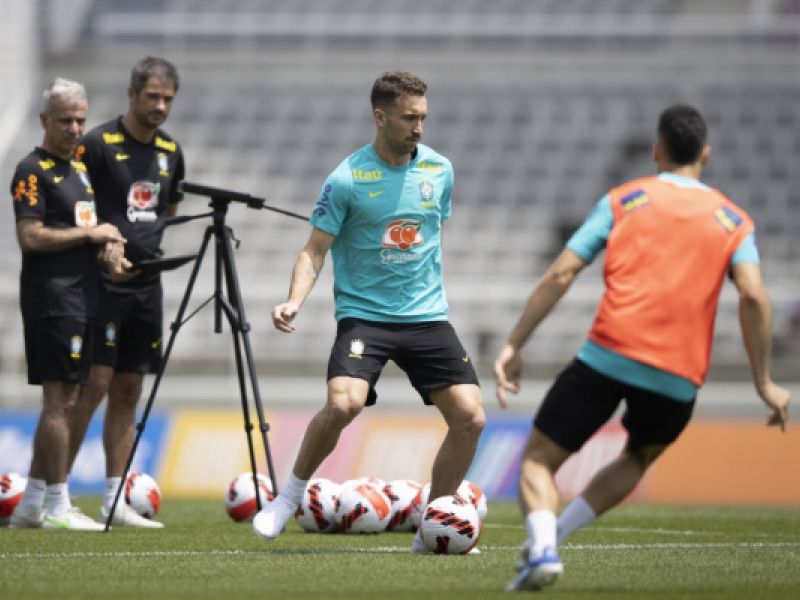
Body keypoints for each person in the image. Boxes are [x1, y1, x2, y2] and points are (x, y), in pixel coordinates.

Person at [493, 104, 791, 591]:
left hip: (608, 354)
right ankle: (554, 540)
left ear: (657, 151)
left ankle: (543, 547)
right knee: (638, 455)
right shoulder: (734, 221)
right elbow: (754, 295)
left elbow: (563, 272)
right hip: (677, 375)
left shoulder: (624, 200)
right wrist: (764, 383)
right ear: (706, 154)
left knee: (539, 459)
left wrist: (514, 343)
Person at [252, 71, 486, 551]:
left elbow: (432, 231)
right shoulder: (346, 179)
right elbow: (314, 250)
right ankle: (288, 498)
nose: (419, 127)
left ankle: (432, 525)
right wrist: (294, 300)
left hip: (426, 317)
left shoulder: (440, 170)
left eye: (423, 117)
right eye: (409, 118)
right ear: (380, 117)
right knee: (344, 404)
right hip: (365, 317)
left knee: (471, 417)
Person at [66, 56, 185, 528]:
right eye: (152, 96)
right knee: (93, 385)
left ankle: (115, 499)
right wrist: (103, 247)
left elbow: (167, 210)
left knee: (129, 389)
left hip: (147, 286)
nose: (160, 106)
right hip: (101, 284)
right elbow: (74, 206)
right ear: (132, 94)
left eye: (167, 99)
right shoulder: (97, 144)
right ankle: (56, 492)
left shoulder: (171, 150)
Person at [9, 78, 130, 530]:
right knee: (59, 401)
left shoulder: (78, 169)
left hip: (83, 296)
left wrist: (108, 251)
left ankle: (30, 505)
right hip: (52, 299)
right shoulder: (31, 170)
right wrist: (90, 233)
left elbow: (83, 233)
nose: (76, 128)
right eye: (65, 120)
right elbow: (30, 236)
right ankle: (58, 505)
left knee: (70, 398)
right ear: (45, 120)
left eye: (81, 120)